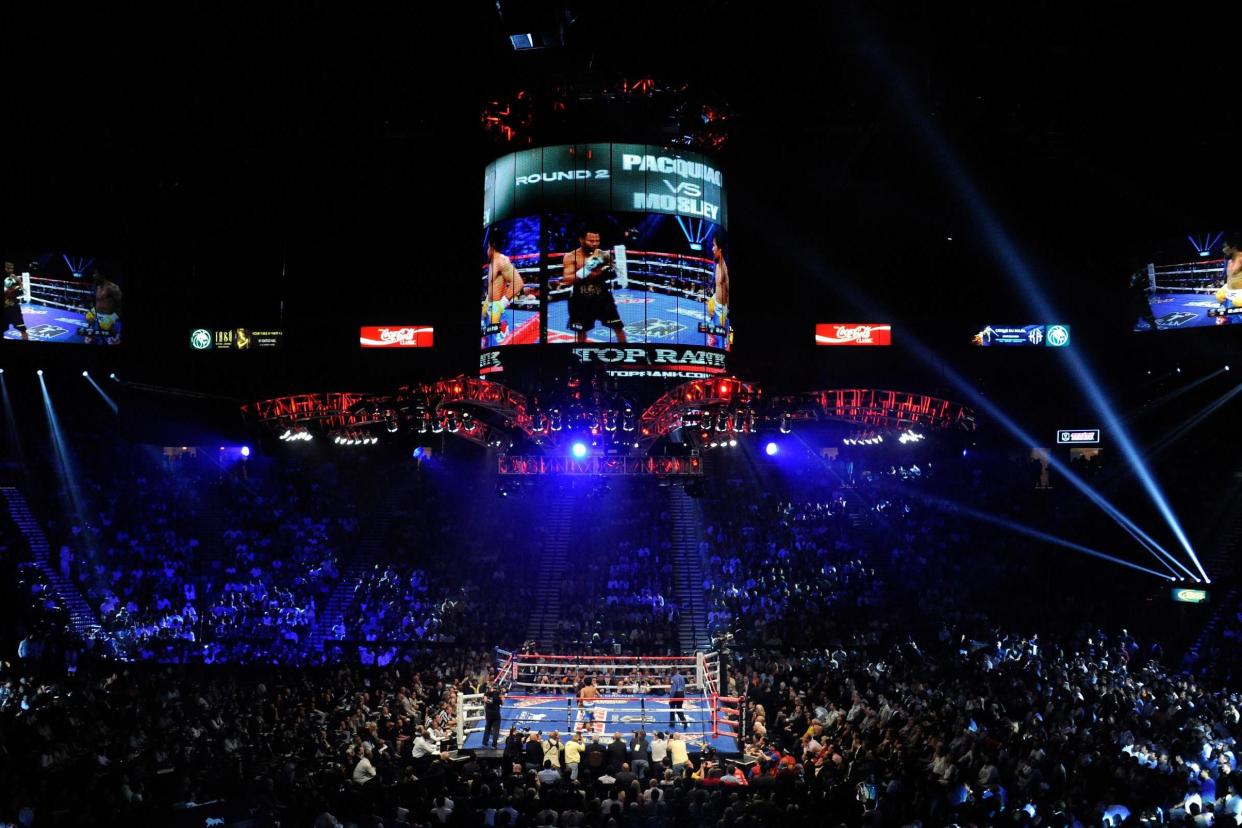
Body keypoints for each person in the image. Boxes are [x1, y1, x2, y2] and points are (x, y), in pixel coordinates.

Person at [560, 229, 626, 344]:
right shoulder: (571, 257)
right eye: (591, 241)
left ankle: (626, 350)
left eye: (597, 240)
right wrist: (587, 270)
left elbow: (616, 272)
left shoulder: (602, 254)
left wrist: (607, 271)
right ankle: (580, 355)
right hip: (580, 298)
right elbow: (567, 280)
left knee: (617, 326)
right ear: (581, 240)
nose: (595, 243)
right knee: (581, 331)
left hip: (602, 297)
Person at [483, 231, 527, 346]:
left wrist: (500, 305)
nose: (486, 250)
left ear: (491, 246)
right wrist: (487, 301)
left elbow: (518, 282)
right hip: (490, 310)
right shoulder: (492, 262)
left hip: (498, 311)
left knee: (501, 347)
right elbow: (494, 286)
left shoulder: (501, 260)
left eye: (487, 246)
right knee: (490, 345)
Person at [82, 268, 122, 344]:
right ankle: (91, 335)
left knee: (105, 327)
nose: (93, 276)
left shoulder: (112, 287)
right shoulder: (97, 287)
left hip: (108, 314)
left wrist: (113, 317)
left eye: (95, 274)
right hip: (97, 311)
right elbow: (99, 301)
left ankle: (115, 337)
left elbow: (120, 303)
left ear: (101, 275)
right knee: (88, 317)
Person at [707, 235, 730, 348]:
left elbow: (728, 290)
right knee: (710, 308)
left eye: (714, 245)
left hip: (722, 307)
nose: (712, 248)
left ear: (719, 249)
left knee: (722, 336)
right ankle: (712, 336)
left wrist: (727, 310)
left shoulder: (724, 269)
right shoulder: (716, 265)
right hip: (716, 301)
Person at [2, 262, 29, 341]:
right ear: (4, 268)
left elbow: (23, 291)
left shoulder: (15, 278)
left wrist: (19, 282)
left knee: (23, 329)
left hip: (14, 307)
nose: (10, 270)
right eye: (8, 268)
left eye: (12, 268)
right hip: (4, 308)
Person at [483, 683, 504, 749]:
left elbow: (485, 700)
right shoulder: (498, 696)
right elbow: (502, 703)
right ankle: (494, 745)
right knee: (496, 730)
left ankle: (484, 742)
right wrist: (501, 696)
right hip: (496, 714)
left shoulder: (488, 694)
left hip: (488, 714)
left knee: (488, 728)